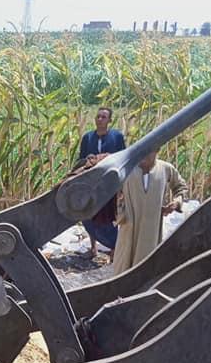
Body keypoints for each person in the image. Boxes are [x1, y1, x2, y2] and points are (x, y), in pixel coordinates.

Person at [113, 151, 187, 274]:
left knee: (146, 269)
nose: (144, 155)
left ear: (157, 150)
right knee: (123, 267)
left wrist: (176, 203)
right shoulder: (127, 169)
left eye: (149, 150)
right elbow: (112, 191)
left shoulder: (165, 169)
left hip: (152, 230)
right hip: (129, 228)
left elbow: (181, 187)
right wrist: (120, 209)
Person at [79, 107, 126, 259]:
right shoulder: (87, 138)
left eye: (103, 117)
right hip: (91, 184)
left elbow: (123, 158)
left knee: (111, 214)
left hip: (110, 183)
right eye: (98, 116)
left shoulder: (117, 137)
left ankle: (114, 249)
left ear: (109, 120)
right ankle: (93, 248)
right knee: (89, 213)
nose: (100, 119)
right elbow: (82, 160)